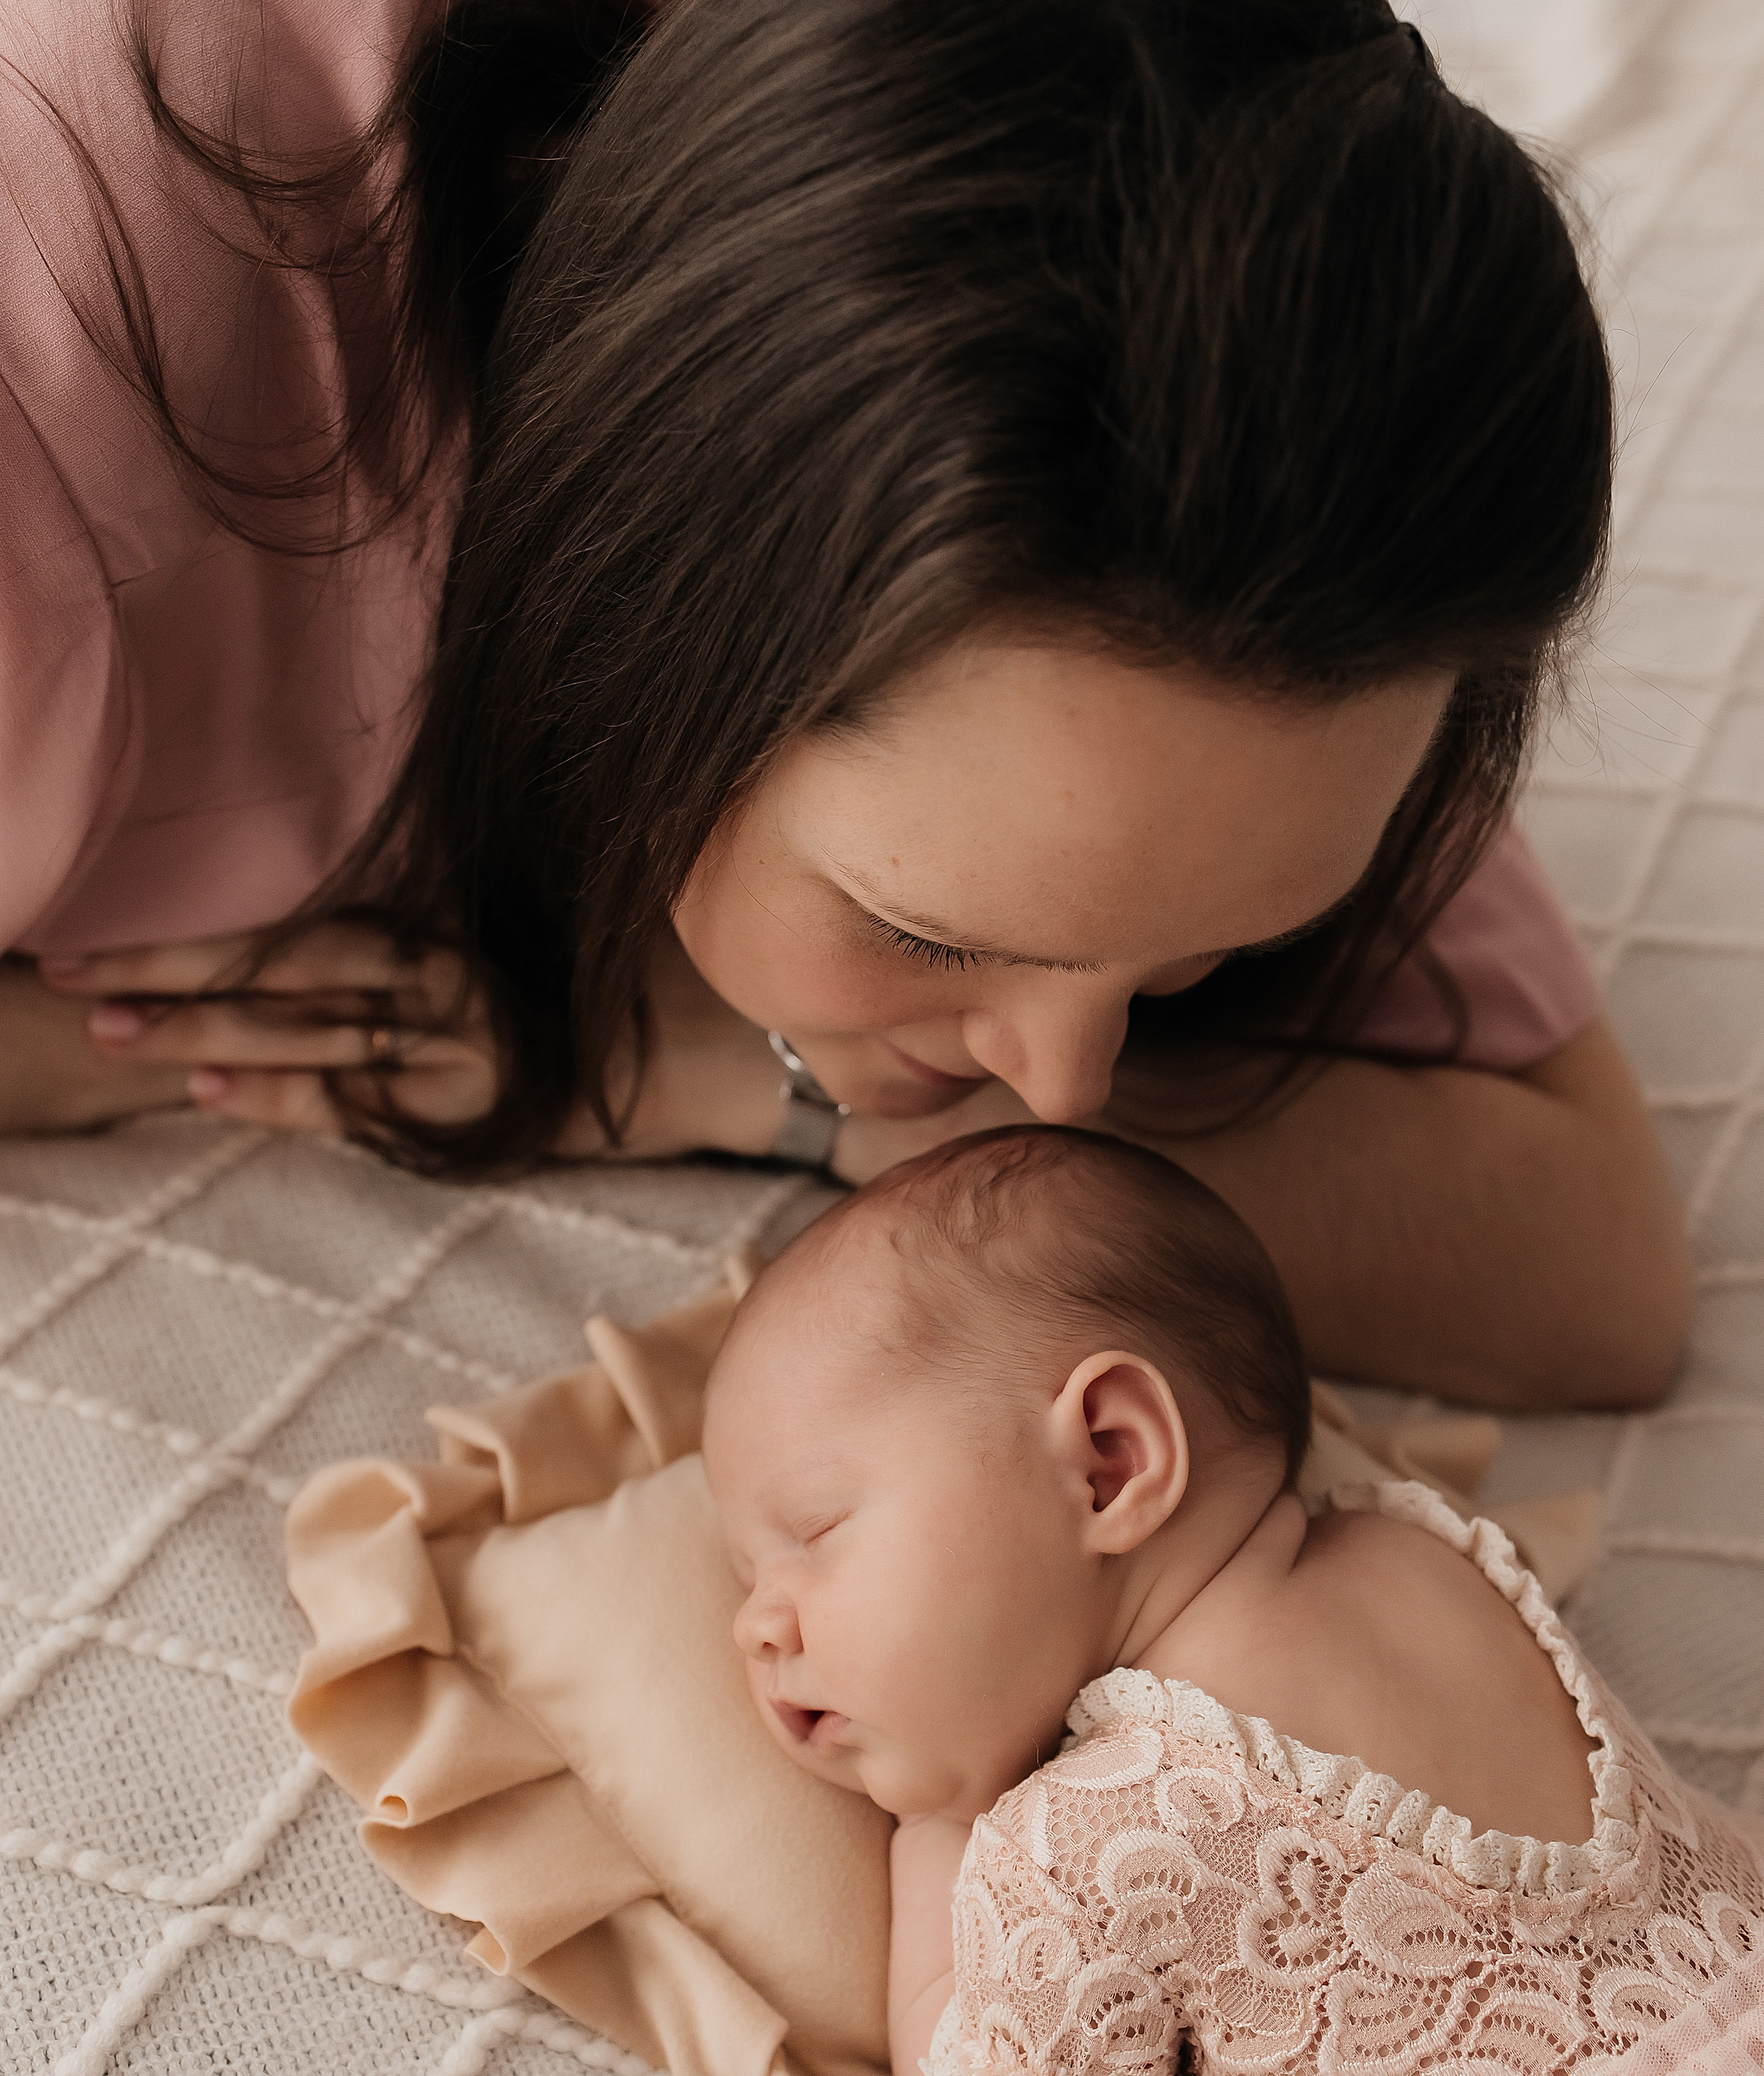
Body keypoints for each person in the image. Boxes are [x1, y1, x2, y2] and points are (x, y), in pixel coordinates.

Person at [0, 0, 1690, 1408]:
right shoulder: (69, 367)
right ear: (645, 564)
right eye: (930, 934)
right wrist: (80, 1052)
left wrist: (710, 1066)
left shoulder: (1229, 400)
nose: (1063, 1104)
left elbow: (1589, 1266)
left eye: (1202, 959)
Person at [700, 1125, 1764, 2076]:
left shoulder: (1089, 1838)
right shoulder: (1435, 1558)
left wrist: (933, 1826)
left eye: (811, 1535)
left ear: (1109, 1459)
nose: (759, 1624)